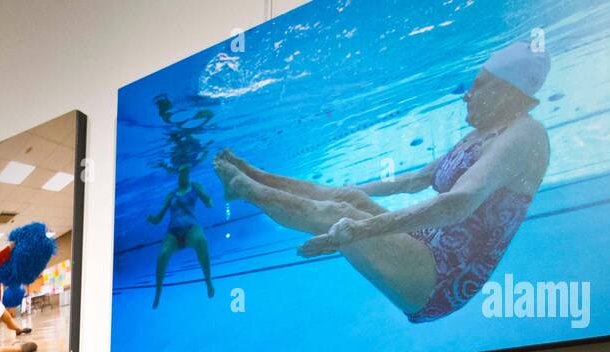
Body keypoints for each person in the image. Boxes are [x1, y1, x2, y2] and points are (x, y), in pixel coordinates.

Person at [213, 40, 551, 322]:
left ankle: (242, 187)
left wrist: (358, 231)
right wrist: (353, 193)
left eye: (479, 85)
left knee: (336, 216)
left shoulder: (525, 135)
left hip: (441, 279)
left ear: (509, 92)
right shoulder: (484, 133)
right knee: (347, 201)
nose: (467, 94)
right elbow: (416, 180)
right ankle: (253, 175)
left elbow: (457, 204)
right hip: (426, 246)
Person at [147, 163, 215, 308]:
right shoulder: (171, 195)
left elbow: (208, 202)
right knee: (163, 255)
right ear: (179, 174)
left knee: (201, 241)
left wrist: (207, 198)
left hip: (191, 228)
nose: (183, 175)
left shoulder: (195, 187)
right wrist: (152, 219)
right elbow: (159, 218)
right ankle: (158, 293)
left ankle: (208, 281)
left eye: (186, 172)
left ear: (188, 173)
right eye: (181, 172)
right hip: (173, 233)